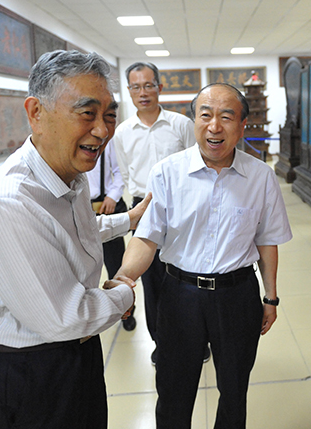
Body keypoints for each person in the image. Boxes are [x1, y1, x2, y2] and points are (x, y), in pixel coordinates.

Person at [0, 50, 148, 428]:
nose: (102, 130)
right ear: (36, 112)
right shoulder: (10, 202)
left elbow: (73, 232)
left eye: (109, 115)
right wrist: (125, 291)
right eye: (87, 113)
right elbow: (65, 318)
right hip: (28, 370)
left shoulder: (70, 174)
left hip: (75, 353)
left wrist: (129, 219)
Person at [109, 83, 292, 429]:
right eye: (205, 115)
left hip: (237, 296)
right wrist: (124, 276)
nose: (214, 126)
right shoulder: (167, 172)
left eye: (226, 117)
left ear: (242, 125)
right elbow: (147, 237)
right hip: (180, 296)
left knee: (234, 391)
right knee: (173, 391)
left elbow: (267, 241)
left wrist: (270, 297)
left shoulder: (261, 177)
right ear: (194, 120)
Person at [113, 62, 195, 353]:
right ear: (129, 91)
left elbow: (195, 166)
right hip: (143, 208)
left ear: (160, 87)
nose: (143, 92)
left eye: (149, 85)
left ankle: (195, 340)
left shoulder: (181, 125)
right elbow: (125, 173)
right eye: (136, 87)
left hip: (182, 206)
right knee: (152, 279)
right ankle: (161, 343)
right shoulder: (122, 132)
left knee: (187, 275)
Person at [86, 139, 135, 330]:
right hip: (80, 208)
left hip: (106, 206)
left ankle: (126, 309)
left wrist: (113, 197)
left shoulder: (108, 142)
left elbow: (120, 172)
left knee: (116, 263)